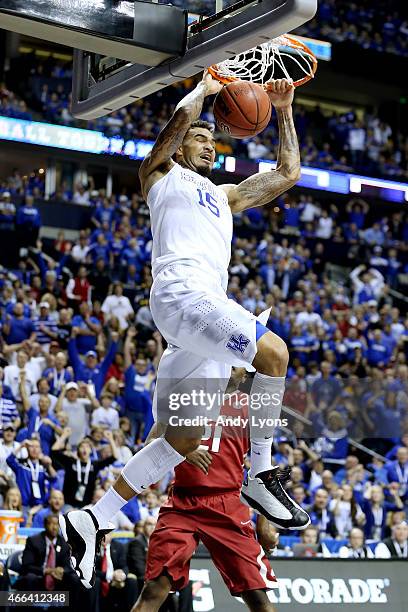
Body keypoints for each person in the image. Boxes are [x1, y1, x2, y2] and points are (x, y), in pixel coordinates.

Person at [60, 73, 309, 589]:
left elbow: (287, 171)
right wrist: (202, 95)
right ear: (180, 145)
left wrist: (283, 109)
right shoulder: (161, 177)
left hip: (194, 326)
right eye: (200, 138)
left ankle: (94, 518)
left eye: (213, 143)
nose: (208, 147)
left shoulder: (225, 197)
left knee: (181, 439)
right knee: (275, 354)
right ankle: (261, 475)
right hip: (183, 295)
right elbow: (168, 137)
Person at [132, 372, 278, 612]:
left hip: (228, 502)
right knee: (153, 589)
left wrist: (265, 522)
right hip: (182, 502)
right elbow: (150, 445)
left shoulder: (253, 407)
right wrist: (183, 450)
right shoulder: (186, 397)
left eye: (240, 366)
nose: (237, 370)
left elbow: (264, 470)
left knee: (258, 598)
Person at [17, 515, 80, 608]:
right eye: (51, 524)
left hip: (57, 580)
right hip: (39, 577)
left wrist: (62, 570)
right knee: (30, 578)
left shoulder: (64, 544)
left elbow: (68, 566)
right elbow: (26, 565)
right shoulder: (33, 541)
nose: (54, 527)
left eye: (57, 525)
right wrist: (47, 571)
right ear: (45, 525)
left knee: (74, 579)